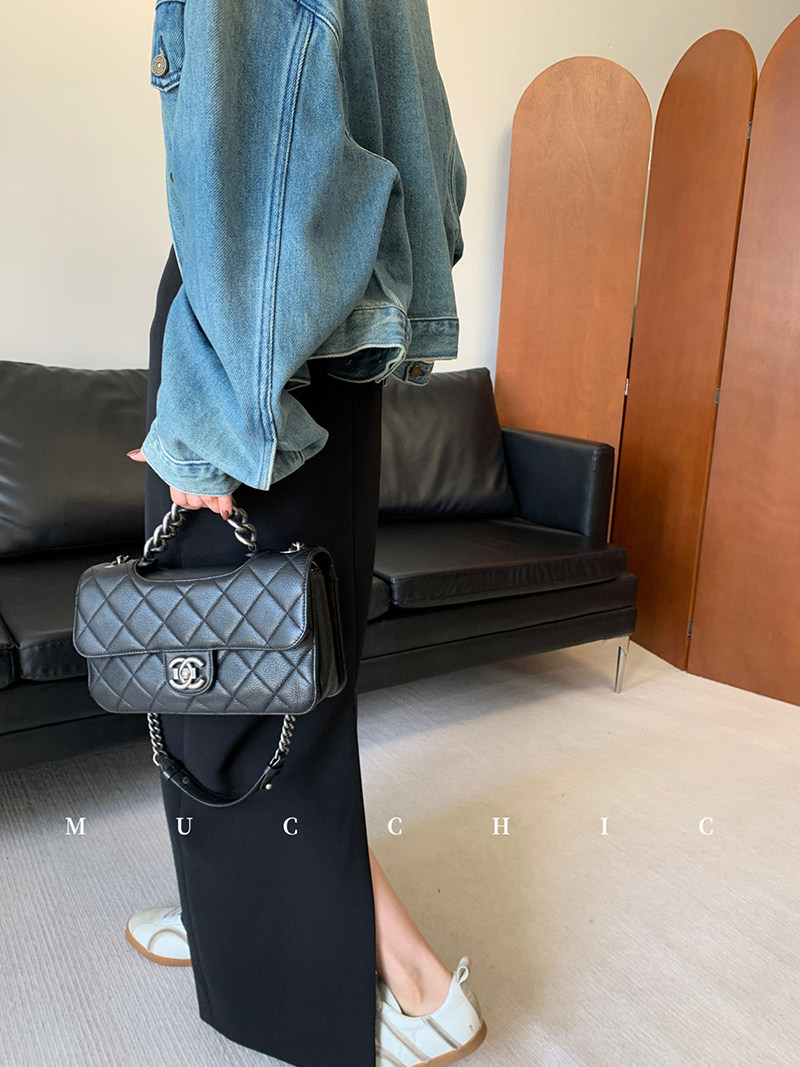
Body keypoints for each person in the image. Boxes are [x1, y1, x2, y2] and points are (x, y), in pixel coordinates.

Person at [124, 1, 485, 1065]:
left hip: (255, 349)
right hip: (323, 335)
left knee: (230, 694)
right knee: (279, 684)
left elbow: (251, 183)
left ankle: (405, 977)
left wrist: (203, 427)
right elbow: (431, 173)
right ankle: (236, 916)